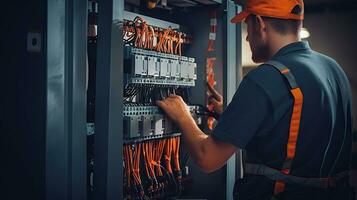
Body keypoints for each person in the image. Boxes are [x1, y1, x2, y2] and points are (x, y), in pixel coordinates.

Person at [156, 0, 354, 199]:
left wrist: (182, 115)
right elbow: (303, 130)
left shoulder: (267, 76)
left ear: (260, 23)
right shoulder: (333, 68)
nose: (248, 36)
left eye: (247, 26)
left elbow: (208, 158)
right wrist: (235, 117)